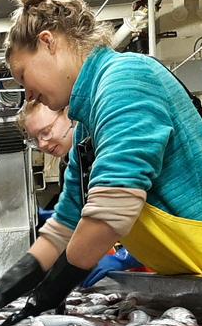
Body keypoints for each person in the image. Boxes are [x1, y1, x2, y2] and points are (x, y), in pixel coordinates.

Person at [0, 0, 202, 320]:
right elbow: (66, 221)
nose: (28, 95)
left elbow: (111, 210)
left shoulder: (125, 80)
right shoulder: (87, 125)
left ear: (48, 42)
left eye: (23, 77)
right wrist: (9, 284)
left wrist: (49, 290)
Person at [20, 100, 144, 285]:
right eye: (35, 139)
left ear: (68, 114)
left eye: (46, 132)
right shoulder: (71, 163)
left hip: (156, 264)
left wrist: (125, 257)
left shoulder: (112, 145)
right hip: (114, 269)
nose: (42, 144)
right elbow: (77, 217)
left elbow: (138, 206)